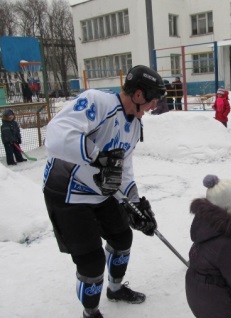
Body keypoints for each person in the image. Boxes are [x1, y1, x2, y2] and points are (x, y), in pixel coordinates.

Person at [43, 65, 165, 318]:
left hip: (101, 191)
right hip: (67, 192)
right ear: (139, 95)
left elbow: (124, 166)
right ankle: (90, 312)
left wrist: (135, 203)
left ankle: (116, 288)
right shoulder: (97, 101)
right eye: (154, 100)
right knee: (91, 260)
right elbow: (55, 136)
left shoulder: (134, 124)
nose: (155, 105)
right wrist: (98, 158)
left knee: (122, 238)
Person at [185, 174, 231, 318]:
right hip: (218, 303)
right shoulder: (228, 244)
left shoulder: (206, 226)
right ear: (230, 210)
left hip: (197, 294)